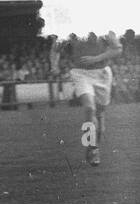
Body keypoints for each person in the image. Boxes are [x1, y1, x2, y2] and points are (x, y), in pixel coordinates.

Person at [52, 31, 122, 166]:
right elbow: (55, 49)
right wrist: (54, 66)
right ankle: (92, 148)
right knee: (89, 108)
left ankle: (94, 146)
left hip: (102, 73)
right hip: (80, 73)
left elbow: (117, 49)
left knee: (100, 116)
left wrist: (96, 58)